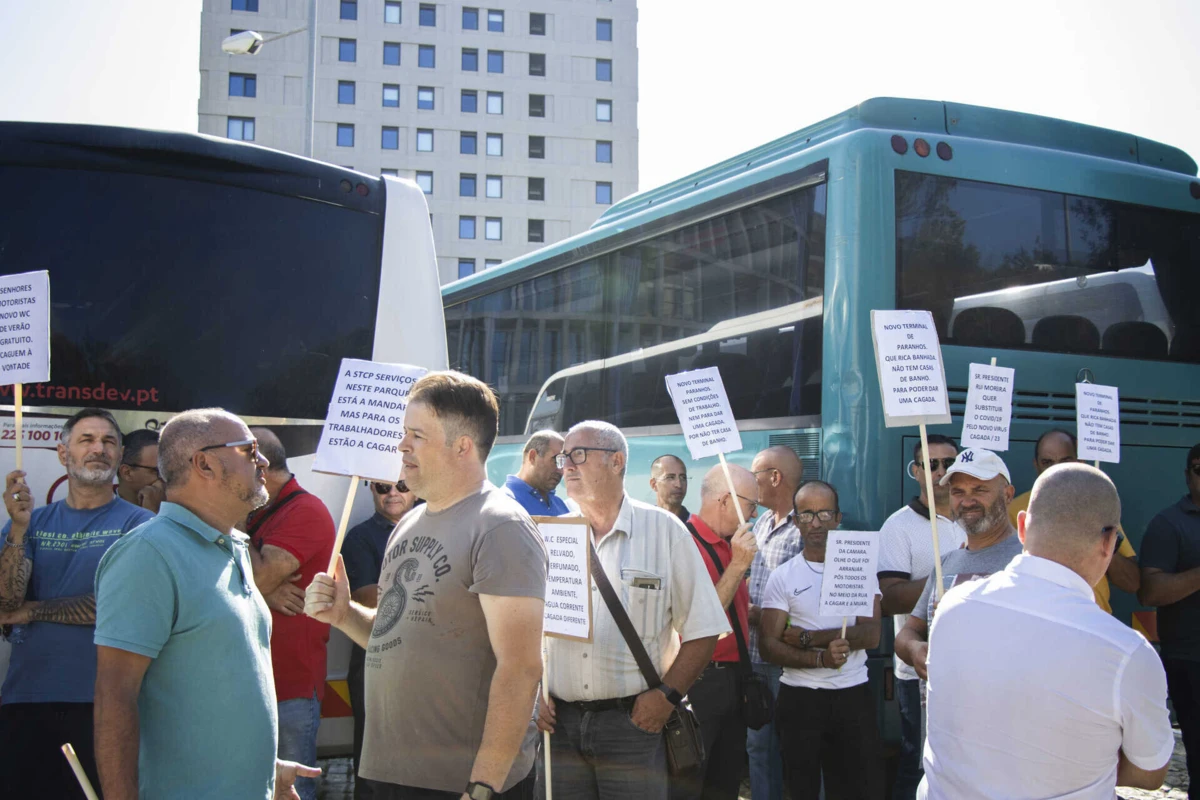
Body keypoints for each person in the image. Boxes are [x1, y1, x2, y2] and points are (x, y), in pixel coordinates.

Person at [306, 371, 547, 799]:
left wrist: (484, 785)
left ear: (462, 446)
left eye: (416, 435)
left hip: (458, 785)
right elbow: (393, 633)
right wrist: (344, 615)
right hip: (389, 772)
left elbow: (521, 667)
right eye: (404, 433)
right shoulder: (409, 523)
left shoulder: (500, 527)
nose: (401, 446)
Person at [93, 408, 319, 799]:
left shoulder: (235, 547)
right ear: (205, 464)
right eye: (250, 451)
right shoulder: (148, 553)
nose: (264, 461)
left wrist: (264, 770)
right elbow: (114, 700)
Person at [919, 463, 1173, 798]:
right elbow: (1149, 772)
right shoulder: (1128, 652)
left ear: (1022, 526)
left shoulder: (952, 606)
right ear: (1109, 543)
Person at [537, 421, 729, 800]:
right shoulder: (550, 535)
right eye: (563, 457)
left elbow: (704, 630)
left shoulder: (666, 531)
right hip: (559, 726)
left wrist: (666, 698)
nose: (567, 466)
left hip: (633, 726)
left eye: (578, 454)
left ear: (617, 461)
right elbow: (529, 626)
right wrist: (533, 694)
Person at [0, 408, 154, 799]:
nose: (98, 449)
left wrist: (36, 611)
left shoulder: (140, 526)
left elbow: (120, 608)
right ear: (62, 453)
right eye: (86, 439)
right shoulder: (30, 522)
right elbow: (5, 603)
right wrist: (18, 529)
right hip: (26, 699)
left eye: (109, 442)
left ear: (120, 456)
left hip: (105, 704)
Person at [758, 480, 883, 800]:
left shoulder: (859, 569)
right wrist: (819, 658)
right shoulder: (783, 576)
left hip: (852, 697)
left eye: (825, 514)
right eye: (808, 514)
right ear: (796, 520)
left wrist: (808, 637)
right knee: (801, 789)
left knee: (855, 790)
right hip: (800, 700)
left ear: (839, 518)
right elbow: (769, 646)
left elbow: (871, 634)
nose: (816, 523)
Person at [245, 427, 337, 800]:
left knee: (292, 792)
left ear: (259, 470)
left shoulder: (306, 511)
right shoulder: (260, 509)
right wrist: (264, 595)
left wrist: (233, 519)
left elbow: (259, 575)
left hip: (290, 687)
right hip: (251, 683)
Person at [877, 434, 965, 800]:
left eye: (949, 463)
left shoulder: (973, 518)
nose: (941, 471)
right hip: (920, 670)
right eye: (931, 464)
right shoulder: (898, 527)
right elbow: (891, 598)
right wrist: (950, 577)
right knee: (918, 763)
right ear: (916, 471)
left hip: (973, 666)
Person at [895, 448, 1024, 684]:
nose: (967, 501)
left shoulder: (1031, 559)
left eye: (979, 490)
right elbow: (909, 631)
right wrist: (914, 649)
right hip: (941, 718)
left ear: (1008, 494)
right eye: (958, 492)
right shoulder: (946, 563)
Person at [672, 464, 759, 800]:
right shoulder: (683, 543)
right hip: (700, 681)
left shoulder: (729, 544)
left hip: (732, 680)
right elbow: (698, 620)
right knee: (693, 783)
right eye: (752, 505)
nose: (753, 514)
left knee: (724, 782)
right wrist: (738, 566)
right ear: (726, 501)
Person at [342, 478, 422, 800]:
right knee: (374, 766)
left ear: (415, 488)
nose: (393, 494)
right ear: (371, 490)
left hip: (427, 664)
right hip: (375, 662)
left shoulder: (437, 528)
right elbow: (370, 600)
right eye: (382, 486)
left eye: (401, 486)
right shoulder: (360, 538)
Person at [1008, 429, 1140, 612]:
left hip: (1094, 620)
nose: (1056, 469)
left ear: (1080, 462)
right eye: (1047, 462)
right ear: (1036, 465)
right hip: (1042, 619)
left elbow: (1131, 582)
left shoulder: (1099, 505)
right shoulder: (1016, 510)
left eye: (1065, 461)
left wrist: (1102, 538)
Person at [1138, 442, 1200, 798]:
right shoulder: (1169, 523)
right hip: (1192, 661)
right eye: (1199, 469)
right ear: (1187, 475)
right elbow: (1151, 592)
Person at [745, 445, 804, 800]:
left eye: (756, 476)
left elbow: (809, 600)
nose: (753, 485)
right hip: (756, 657)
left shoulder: (806, 530)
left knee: (797, 749)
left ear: (775, 477)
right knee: (758, 748)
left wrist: (758, 615)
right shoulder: (763, 522)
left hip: (788, 662)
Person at [503, 429, 569, 516]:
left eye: (563, 462)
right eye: (557, 460)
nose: (561, 470)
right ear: (533, 456)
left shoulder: (560, 505)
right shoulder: (505, 502)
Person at [116, 427, 165, 512]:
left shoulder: (177, 506)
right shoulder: (100, 506)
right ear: (127, 473)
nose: (164, 479)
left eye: (168, 471)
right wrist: (151, 512)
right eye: (157, 471)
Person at [650, 454, 691, 524]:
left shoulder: (697, 528)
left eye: (683, 478)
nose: (679, 485)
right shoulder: (643, 524)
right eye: (670, 477)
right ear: (654, 484)